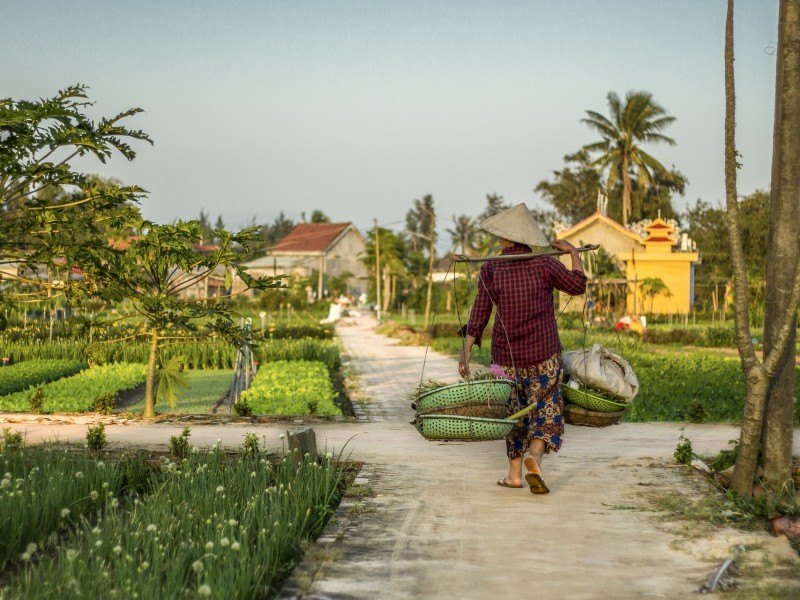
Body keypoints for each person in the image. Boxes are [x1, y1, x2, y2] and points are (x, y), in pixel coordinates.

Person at [458, 203, 586, 494]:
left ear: (505, 239)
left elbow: (479, 314)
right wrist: (573, 253)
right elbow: (577, 286)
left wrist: (465, 351)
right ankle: (535, 458)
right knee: (546, 407)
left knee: (513, 413)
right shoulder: (545, 263)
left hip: (504, 359)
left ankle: (514, 475)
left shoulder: (491, 269)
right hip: (544, 354)